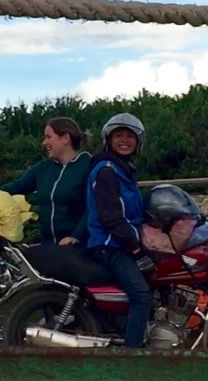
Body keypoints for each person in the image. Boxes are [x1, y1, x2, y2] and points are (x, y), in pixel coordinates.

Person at [85, 113, 152, 348]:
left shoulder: (124, 169)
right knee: (142, 297)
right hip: (109, 246)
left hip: (119, 243)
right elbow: (111, 218)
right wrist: (135, 248)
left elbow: (134, 212)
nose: (125, 140)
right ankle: (131, 357)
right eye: (119, 135)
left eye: (130, 136)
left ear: (138, 142)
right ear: (109, 140)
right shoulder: (107, 171)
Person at [0, 118, 94, 246]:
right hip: (48, 247)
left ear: (65, 138)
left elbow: (94, 208)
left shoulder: (89, 166)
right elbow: (18, 186)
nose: (44, 142)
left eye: (48, 137)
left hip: (79, 248)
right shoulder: (43, 168)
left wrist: (75, 236)